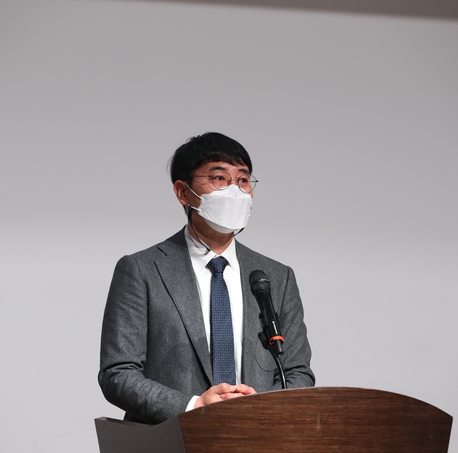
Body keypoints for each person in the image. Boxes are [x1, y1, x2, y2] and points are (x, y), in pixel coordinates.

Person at [98, 132, 314, 424]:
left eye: (243, 180)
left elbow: (297, 372)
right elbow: (117, 373)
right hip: (170, 436)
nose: (235, 191)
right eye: (219, 178)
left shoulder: (277, 277)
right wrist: (194, 406)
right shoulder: (141, 270)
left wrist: (259, 408)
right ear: (183, 192)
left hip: (255, 436)